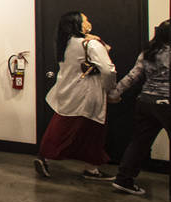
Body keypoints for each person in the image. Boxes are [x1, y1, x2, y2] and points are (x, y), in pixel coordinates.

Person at [34, 11, 116, 181]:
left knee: (66, 125)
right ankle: (91, 167)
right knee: (91, 130)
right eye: (85, 20)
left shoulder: (65, 43)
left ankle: (47, 157)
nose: (88, 23)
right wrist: (111, 90)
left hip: (68, 90)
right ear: (76, 24)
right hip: (87, 92)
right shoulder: (90, 44)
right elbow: (108, 70)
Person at [107, 20, 171, 196]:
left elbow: (132, 76)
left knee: (139, 142)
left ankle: (124, 179)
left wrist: (115, 92)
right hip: (166, 102)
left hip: (144, 101)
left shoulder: (149, 52)